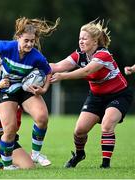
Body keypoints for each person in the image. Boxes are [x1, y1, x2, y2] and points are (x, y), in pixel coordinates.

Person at [50, 19, 133, 168]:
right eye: (80, 38)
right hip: (96, 97)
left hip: (119, 95)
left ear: (95, 41)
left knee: (107, 125)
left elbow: (86, 71)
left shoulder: (103, 55)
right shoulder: (79, 55)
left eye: (84, 38)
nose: (81, 41)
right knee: (79, 131)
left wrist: (63, 76)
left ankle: (105, 165)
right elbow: (57, 66)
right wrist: (35, 64)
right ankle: (79, 154)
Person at [0, 17, 60, 169]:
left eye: (32, 40)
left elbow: (48, 72)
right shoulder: (6, 47)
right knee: (10, 130)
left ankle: (35, 154)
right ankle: (7, 165)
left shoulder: (36, 56)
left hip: (24, 88)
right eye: (26, 40)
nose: (30, 44)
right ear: (18, 38)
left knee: (42, 118)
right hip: (6, 88)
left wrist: (44, 89)